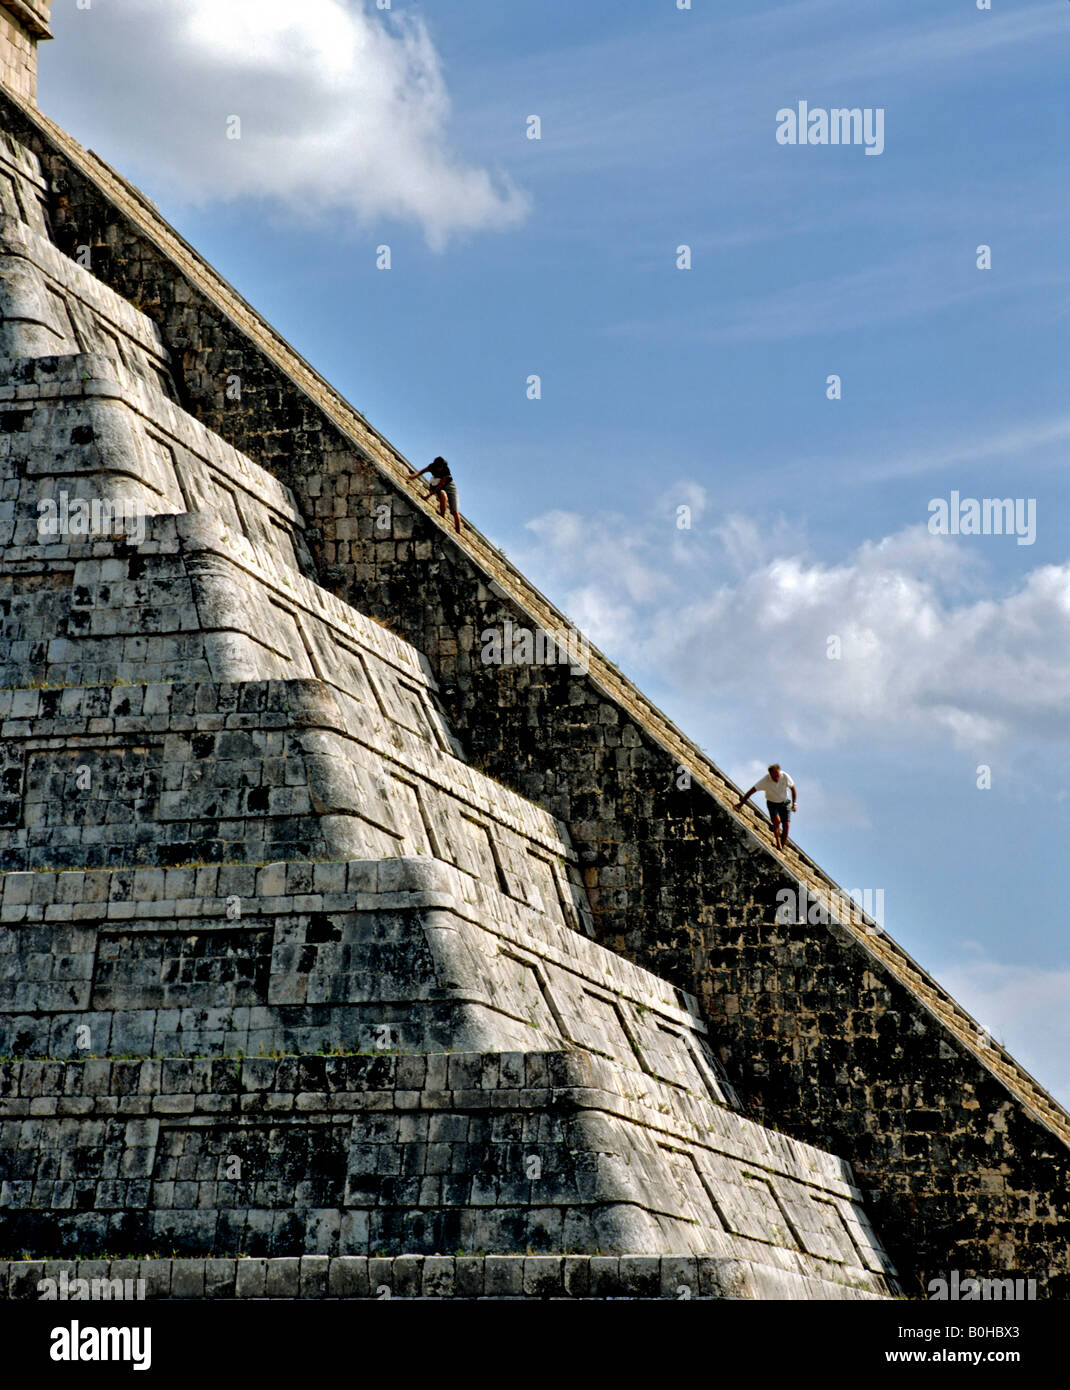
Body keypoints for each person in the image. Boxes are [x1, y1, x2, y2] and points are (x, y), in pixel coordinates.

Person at [734, 763, 797, 849]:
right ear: (770, 775)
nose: (776, 778)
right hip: (772, 803)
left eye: (777, 775)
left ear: (779, 773)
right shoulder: (765, 781)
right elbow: (751, 791)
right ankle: (778, 842)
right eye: (774, 776)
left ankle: (782, 845)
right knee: (777, 821)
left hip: (785, 802)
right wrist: (741, 804)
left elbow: (793, 789)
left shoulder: (785, 776)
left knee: (786, 825)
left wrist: (794, 804)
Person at [409, 456, 461, 534]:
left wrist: (428, 496)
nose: (439, 469)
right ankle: (442, 514)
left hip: (450, 486)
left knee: (454, 511)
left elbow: (439, 486)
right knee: (443, 494)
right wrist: (413, 476)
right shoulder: (431, 467)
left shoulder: (446, 471)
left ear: (443, 466)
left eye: (441, 467)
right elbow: (421, 472)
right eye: (438, 467)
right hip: (439, 484)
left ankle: (458, 532)